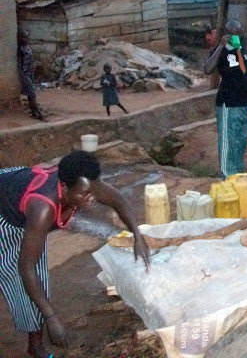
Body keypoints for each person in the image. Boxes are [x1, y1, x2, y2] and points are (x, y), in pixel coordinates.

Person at [0, 151, 150, 358]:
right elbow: (27, 268)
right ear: (65, 187)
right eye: (85, 194)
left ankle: (34, 346)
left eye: (94, 191)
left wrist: (138, 237)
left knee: (38, 280)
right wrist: (52, 317)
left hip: (13, 185)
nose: (92, 198)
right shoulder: (43, 209)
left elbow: (119, 201)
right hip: (4, 209)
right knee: (22, 278)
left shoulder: (86, 183)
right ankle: (35, 348)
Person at [203, 20, 247, 178]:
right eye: (231, 33)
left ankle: (238, 176)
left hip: (244, 105)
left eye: (238, 33)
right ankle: (227, 178)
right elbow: (207, 69)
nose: (235, 36)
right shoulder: (221, 51)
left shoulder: (241, 48)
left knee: (239, 144)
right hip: (228, 105)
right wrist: (220, 46)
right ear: (225, 33)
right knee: (228, 143)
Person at [17, 30, 44, 121]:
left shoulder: (27, 47)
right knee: (32, 94)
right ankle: (40, 114)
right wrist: (23, 77)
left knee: (30, 95)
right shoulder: (20, 49)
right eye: (24, 37)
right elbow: (19, 64)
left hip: (30, 74)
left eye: (27, 37)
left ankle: (33, 113)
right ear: (20, 38)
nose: (26, 39)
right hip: (25, 75)